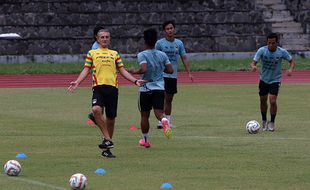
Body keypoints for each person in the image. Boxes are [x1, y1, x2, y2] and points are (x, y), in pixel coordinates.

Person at [68, 29, 145, 157]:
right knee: (96, 109)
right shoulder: (92, 53)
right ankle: (108, 138)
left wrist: (135, 81)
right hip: (98, 87)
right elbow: (86, 70)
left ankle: (107, 149)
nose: (104, 39)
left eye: (107, 37)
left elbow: (122, 70)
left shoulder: (114, 54)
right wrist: (77, 82)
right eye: (102, 37)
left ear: (110, 39)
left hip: (113, 89)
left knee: (111, 119)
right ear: (97, 39)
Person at [129, 28, 174, 148]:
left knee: (144, 115)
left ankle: (146, 140)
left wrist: (135, 71)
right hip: (159, 87)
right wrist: (159, 68)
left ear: (145, 41)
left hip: (145, 88)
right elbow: (170, 70)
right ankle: (164, 121)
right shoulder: (162, 54)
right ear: (155, 41)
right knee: (159, 113)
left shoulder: (142, 54)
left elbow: (144, 69)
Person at [250, 33, 295, 132]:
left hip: (275, 79)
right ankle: (264, 120)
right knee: (263, 100)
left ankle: (272, 122)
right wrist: (253, 66)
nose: (271, 45)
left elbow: (292, 61)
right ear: (267, 42)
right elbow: (254, 62)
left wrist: (290, 69)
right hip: (264, 79)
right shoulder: (262, 50)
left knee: (273, 100)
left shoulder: (282, 52)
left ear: (277, 42)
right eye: (269, 43)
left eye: (273, 43)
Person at [155, 20, 193, 129]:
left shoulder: (179, 43)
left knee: (169, 99)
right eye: (167, 29)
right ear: (164, 31)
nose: (170, 30)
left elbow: (184, 57)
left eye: (171, 28)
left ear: (174, 29)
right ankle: (161, 121)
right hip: (161, 75)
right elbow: (155, 57)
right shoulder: (159, 43)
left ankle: (168, 121)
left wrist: (189, 72)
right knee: (162, 97)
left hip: (173, 75)